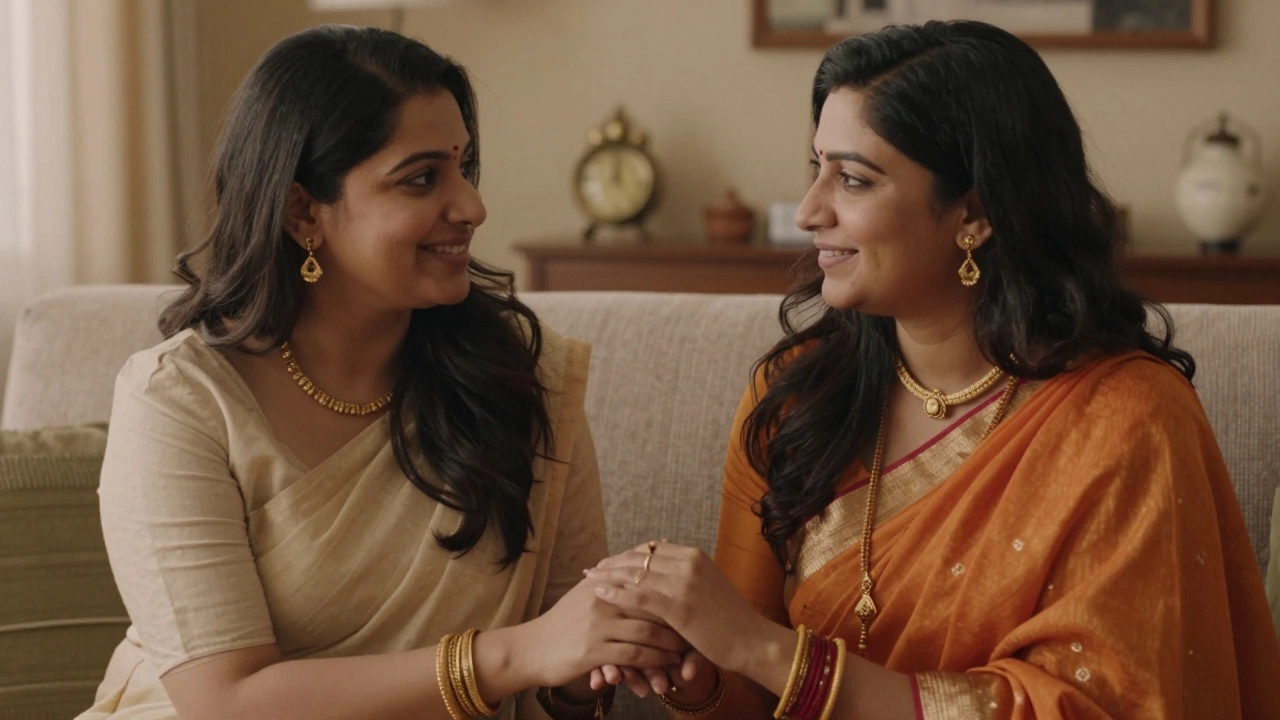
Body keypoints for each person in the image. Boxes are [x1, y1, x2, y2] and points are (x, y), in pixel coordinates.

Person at [586, 20, 1280, 720]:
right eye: (816, 167)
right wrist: (690, 664)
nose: (808, 210)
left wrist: (765, 652)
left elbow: (1103, 705)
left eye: (852, 179)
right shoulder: (796, 397)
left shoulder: (1126, 420)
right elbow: (744, 691)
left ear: (974, 212)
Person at [80, 25, 684, 720]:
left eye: (464, 167)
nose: (471, 207)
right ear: (303, 211)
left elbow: (564, 663)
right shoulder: (180, 401)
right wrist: (512, 656)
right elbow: (226, 702)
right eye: (422, 178)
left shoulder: (524, 375)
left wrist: (623, 640)